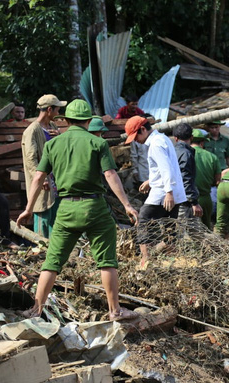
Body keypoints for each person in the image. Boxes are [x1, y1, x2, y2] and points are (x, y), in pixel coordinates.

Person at [16, 99, 139, 321]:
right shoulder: (98, 143)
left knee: (52, 262)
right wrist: (127, 205)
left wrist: (28, 209)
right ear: (87, 120)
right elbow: (110, 175)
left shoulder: (53, 144)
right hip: (95, 208)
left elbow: (37, 177)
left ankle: (35, 310)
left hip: (66, 209)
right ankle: (115, 311)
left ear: (67, 120)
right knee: (107, 261)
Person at [124, 116, 186, 267]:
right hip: (172, 191)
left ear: (143, 130)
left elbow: (166, 168)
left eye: (136, 136)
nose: (135, 141)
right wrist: (151, 181)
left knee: (143, 220)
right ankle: (166, 260)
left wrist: (168, 192)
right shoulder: (163, 139)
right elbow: (166, 167)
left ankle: (146, 260)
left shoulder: (156, 145)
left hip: (164, 193)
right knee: (170, 229)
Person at [21, 94, 65, 237]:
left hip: (55, 179)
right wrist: (41, 179)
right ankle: (41, 248)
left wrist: (59, 136)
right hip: (43, 180)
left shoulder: (52, 126)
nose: (58, 113)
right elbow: (30, 158)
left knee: (55, 214)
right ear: (49, 110)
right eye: (57, 110)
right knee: (43, 214)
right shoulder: (32, 130)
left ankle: (53, 249)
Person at [190, 129, 221, 228]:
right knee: (206, 229)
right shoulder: (212, 157)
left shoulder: (184, 154)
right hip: (206, 198)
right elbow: (217, 181)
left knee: (189, 228)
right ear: (202, 142)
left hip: (188, 199)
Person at [173, 123, 203, 220]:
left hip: (172, 198)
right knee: (186, 230)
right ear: (191, 137)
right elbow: (185, 178)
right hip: (184, 202)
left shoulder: (172, 151)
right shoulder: (186, 154)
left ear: (175, 138)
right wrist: (194, 202)